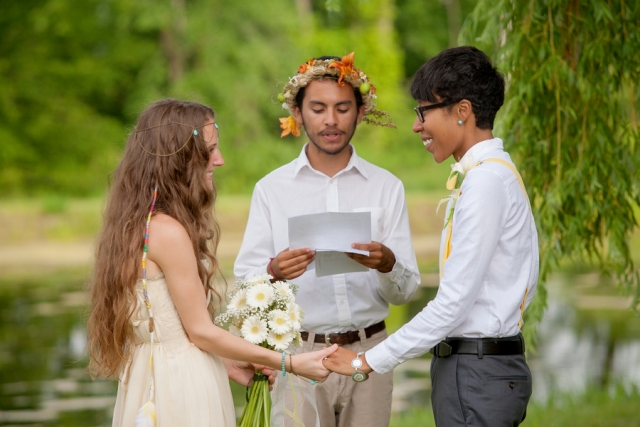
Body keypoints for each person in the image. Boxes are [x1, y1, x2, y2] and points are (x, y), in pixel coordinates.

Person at [86, 99, 337, 427]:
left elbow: (173, 327)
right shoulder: (169, 232)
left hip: (149, 378)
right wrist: (290, 362)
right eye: (210, 150)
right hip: (179, 385)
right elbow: (201, 332)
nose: (219, 161)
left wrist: (230, 362)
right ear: (181, 156)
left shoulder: (138, 223)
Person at [323, 46, 539, 427]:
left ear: (462, 111)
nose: (416, 125)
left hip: (477, 372)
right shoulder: (492, 174)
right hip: (479, 369)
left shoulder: (486, 181)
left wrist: (365, 360)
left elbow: (452, 304)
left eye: (423, 111)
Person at [234, 53, 421, 427]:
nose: (331, 120)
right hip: (298, 354)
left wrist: (387, 263)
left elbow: (406, 292)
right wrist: (273, 271)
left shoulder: (386, 187)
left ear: (361, 111)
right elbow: (244, 285)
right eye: (318, 108)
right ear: (298, 113)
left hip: (371, 354)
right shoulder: (272, 189)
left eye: (342, 108)